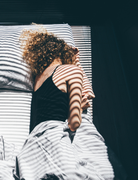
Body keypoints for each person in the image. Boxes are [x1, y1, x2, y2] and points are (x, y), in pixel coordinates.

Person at [14, 29, 115, 179]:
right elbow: (75, 121)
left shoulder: (37, 79)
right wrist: (76, 63)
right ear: (62, 52)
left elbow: (87, 93)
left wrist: (75, 64)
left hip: (35, 142)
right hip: (61, 133)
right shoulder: (71, 71)